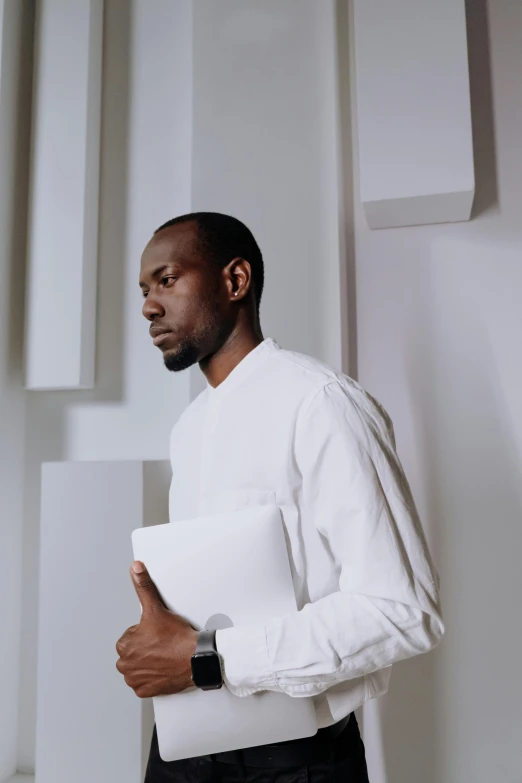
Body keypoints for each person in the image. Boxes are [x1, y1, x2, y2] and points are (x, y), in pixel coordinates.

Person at [115, 212, 444, 783]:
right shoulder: (187, 429)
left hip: (295, 765)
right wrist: (155, 637)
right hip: (180, 753)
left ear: (235, 281)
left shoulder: (322, 404)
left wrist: (207, 660)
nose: (147, 306)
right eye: (144, 290)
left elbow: (402, 611)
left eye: (166, 280)